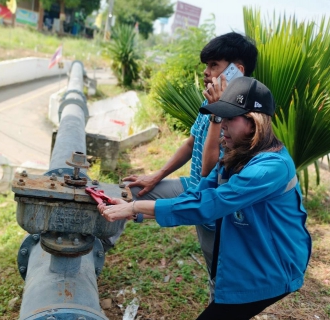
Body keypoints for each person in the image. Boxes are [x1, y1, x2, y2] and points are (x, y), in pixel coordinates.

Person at [98, 77, 312, 320]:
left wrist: (135, 206)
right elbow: (198, 194)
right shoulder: (236, 154)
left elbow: (210, 205)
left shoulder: (270, 167)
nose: (222, 125)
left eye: (230, 118)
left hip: (273, 265)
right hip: (249, 256)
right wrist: (134, 210)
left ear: (253, 124)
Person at [104, 32, 258, 299]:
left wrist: (218, 113)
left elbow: (209, 171)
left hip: (215, 203)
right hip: (193, 186)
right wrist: (157, 175)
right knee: (131, 191)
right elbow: (191, 143)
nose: (206, 72)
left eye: (214, 66)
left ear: (237, 70)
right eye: (206, 65)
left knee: (218, 273)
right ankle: (99, 243)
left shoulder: (244, 118)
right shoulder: (209, 101)